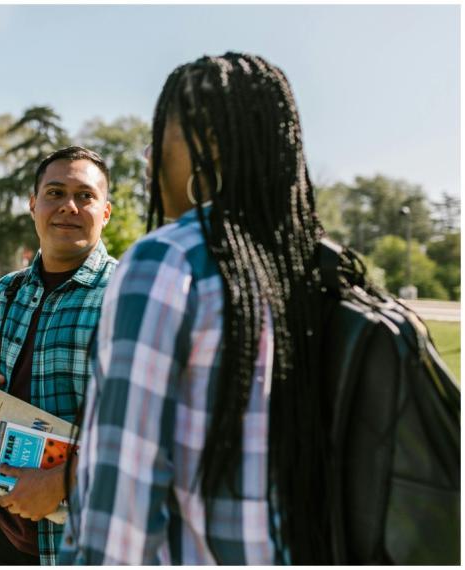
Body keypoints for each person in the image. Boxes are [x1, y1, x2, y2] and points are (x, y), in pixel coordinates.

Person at [62, 53, 331, 564]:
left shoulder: (167, 261)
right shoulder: (309, 264)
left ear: (207, 145)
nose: (148, 158)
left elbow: (123, 500)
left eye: (159, 135)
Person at [0, 146, 117, 565]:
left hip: (87, 534)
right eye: (55, 192)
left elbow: (141, 422)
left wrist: (62, 481)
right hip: (11, 526)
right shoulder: (8, 291)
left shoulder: (125, 296)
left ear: (105, 213)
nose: (68, 206)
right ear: (33, 206)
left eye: (85, 196)